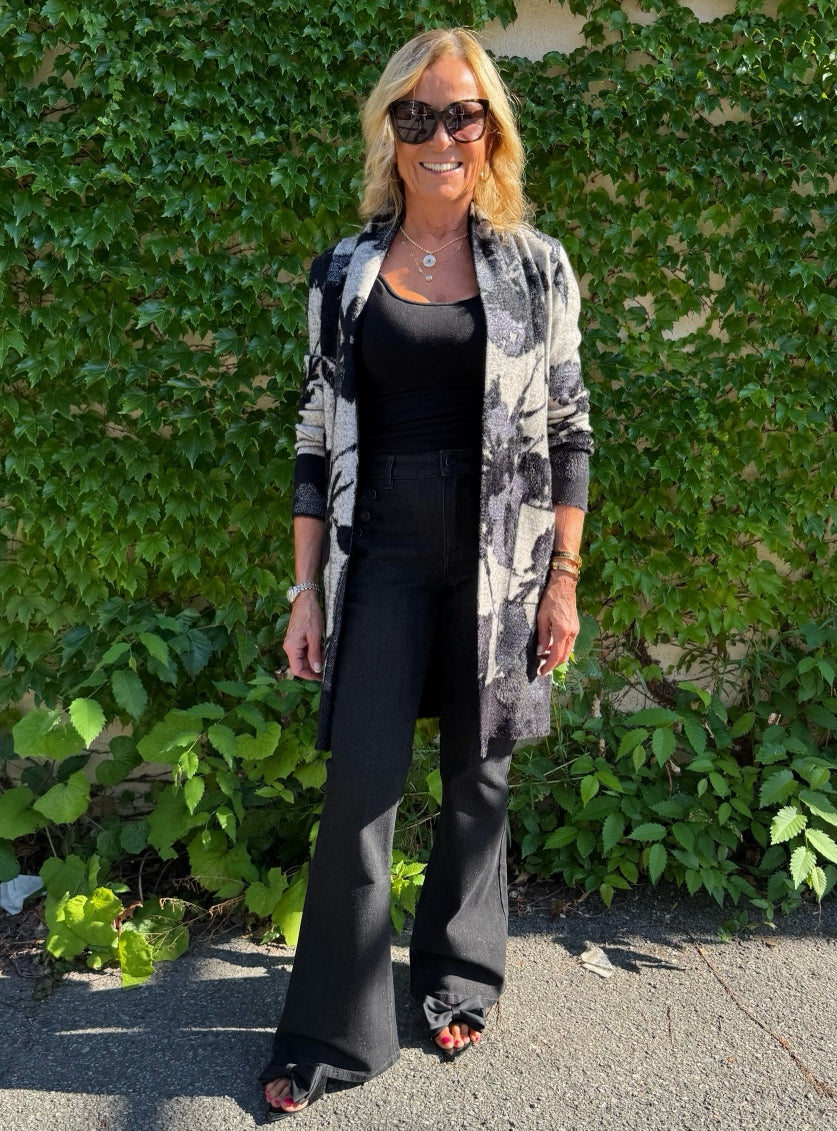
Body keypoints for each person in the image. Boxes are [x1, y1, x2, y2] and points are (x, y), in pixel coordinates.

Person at [260, 27, 593, 1118]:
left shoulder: (535, 267)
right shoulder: (345, 271)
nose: (440, 135)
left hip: (501, 557)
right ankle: (334, 1032)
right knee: (361, 786)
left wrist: (562, 578)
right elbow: (314, 436)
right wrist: (304, 591)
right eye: (416, 115)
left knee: (477, 776)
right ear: (389, 131)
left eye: (461, 114)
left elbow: (569, 429)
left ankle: (459, 977)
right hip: (382, 552)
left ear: (490, 130)